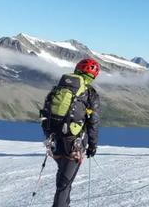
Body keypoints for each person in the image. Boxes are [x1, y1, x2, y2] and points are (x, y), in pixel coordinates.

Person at [40, 58, 101, 207]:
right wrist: (92, 145)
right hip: (73, 143)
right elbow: (93, 122)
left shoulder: (59, 88)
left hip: (54, 140)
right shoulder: (89, 93)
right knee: (64, 185)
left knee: (62, 178)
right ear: (93, 75)